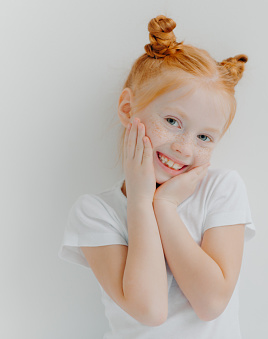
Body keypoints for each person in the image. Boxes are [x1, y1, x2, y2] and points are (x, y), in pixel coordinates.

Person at [58, 14, 256, 339]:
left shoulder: (221, 189)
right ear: (127, 109)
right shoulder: (96, 212)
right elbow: (150, 310)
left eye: (204, 138)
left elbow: (211, 303)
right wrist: (140, 201)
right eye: (172, 121)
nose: (184, 147)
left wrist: (164, 206)